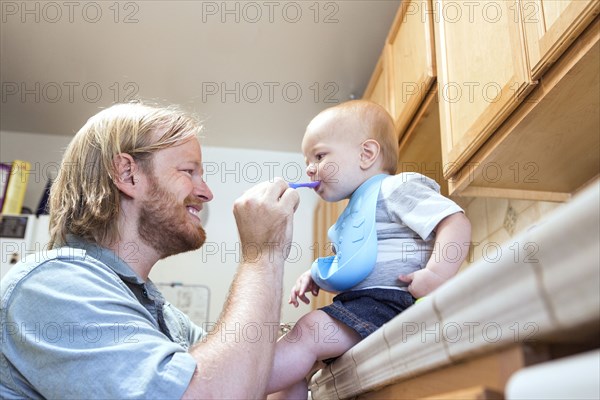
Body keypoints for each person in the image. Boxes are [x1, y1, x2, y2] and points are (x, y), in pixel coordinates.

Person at [0, 102, 300, 399]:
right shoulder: (54, 287)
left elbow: (240, 376)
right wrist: (262, 254)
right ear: (128, 174)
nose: (206, 192)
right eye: (189, 171)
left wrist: (313, 337)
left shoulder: (162, 315)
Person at [266, 100, 472, 399]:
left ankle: (239, 386)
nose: (310, 169)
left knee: (307, 331)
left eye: (320, 155)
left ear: (366, 154)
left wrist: (437, 273)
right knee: (300, 364)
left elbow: (455, 220)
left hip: (390, 302)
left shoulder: (395, 188)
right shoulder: (354, 212)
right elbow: (353, 262)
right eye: (307, 160)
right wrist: (313, 274)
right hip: (363, 304)